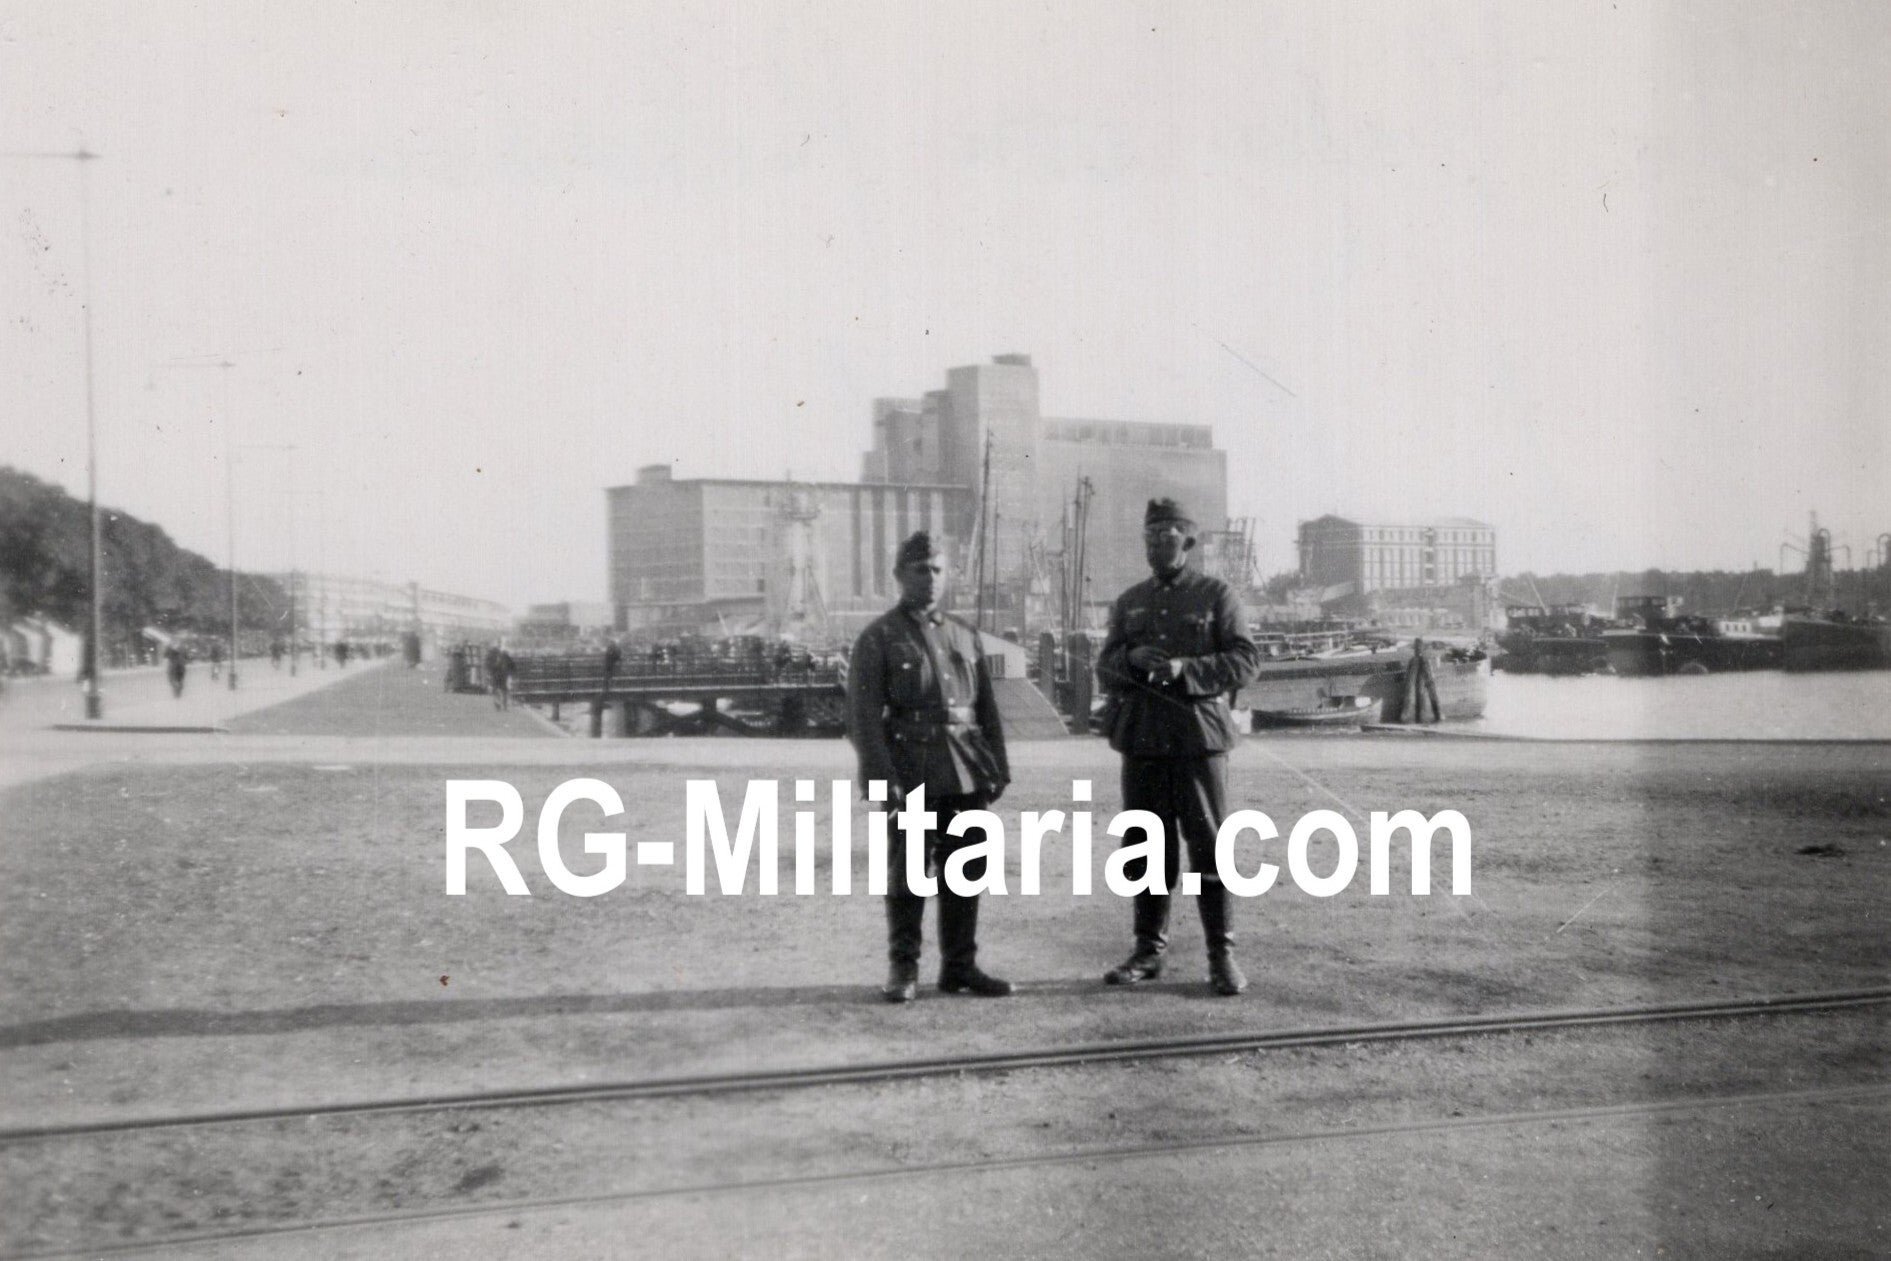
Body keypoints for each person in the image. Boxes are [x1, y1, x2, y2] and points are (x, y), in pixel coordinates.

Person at [1096, 498, 1262, 996]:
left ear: (1187, 541)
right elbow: (1104, 667)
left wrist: (1185, 670)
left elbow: (1246, 662)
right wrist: (1130, 658)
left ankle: (1221, 955)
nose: (1157, 545)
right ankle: (1148, 951)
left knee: (1208, 844)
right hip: (1143, 739)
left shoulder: (1216, 595)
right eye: (1150, 537)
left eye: (1168, 535)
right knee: (1145, 847)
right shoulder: (1129, 602)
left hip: (1198, 740)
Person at [848, 531, 1013, 1003]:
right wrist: (883, 779)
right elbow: (862, 719)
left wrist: (997, 767)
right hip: (912, 770)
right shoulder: (879, 637)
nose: (931, 579)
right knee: (909, 871)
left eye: (938, 569)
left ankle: (960, 967)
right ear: (899, 576)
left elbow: (986, 709)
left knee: (966, 867)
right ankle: (904, 968)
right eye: (921, 570)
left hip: (965, 768)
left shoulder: (965, 634)